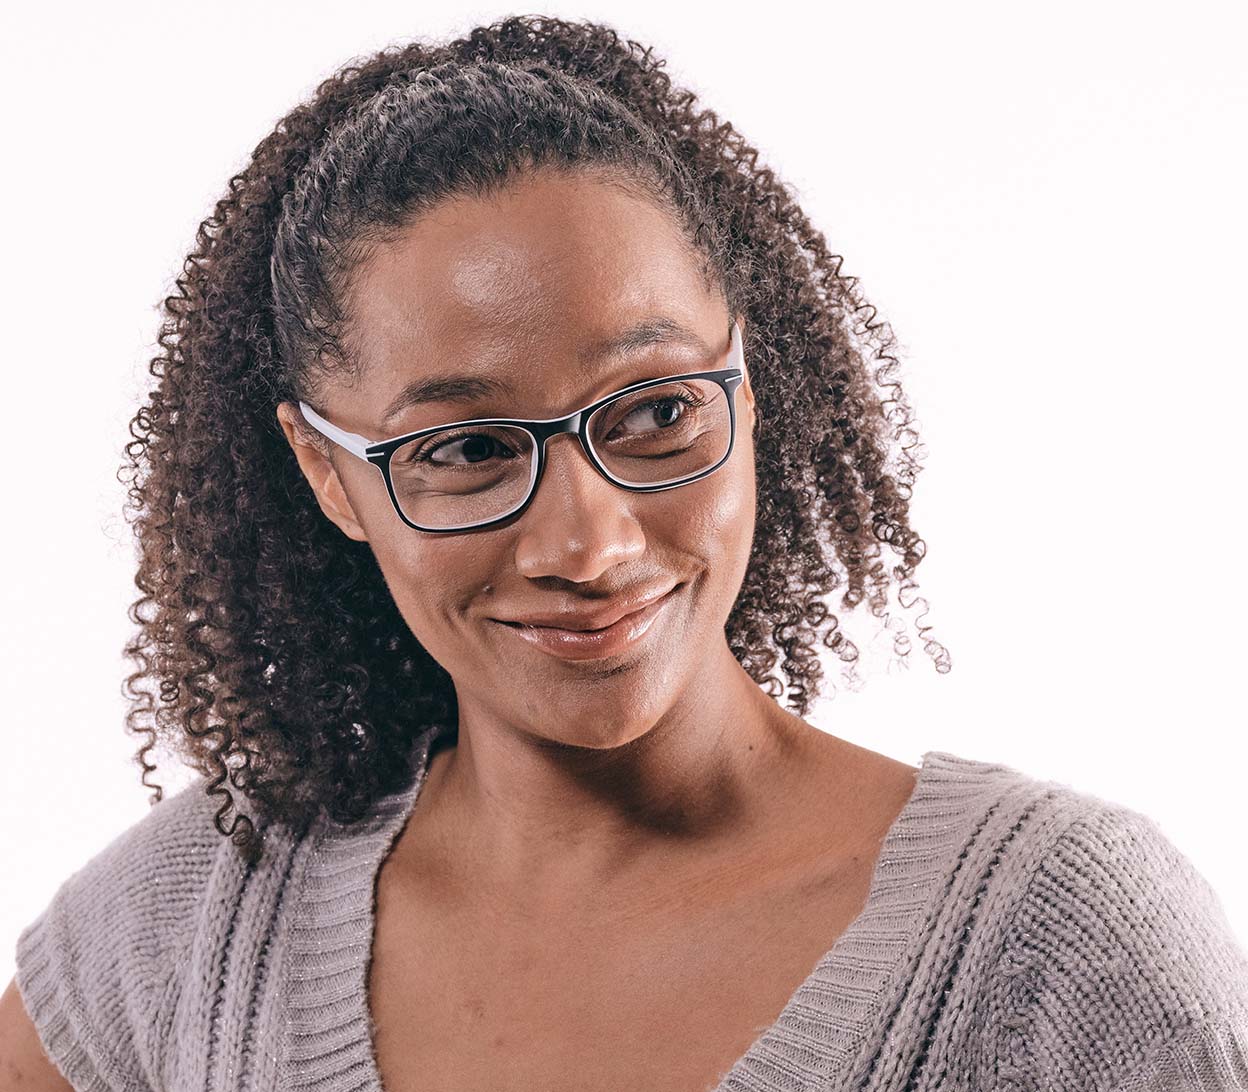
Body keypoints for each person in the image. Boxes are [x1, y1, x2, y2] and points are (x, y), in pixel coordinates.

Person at [3, 14, 1246, 1092]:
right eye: (468, 448)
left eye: (655, 413)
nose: (590, 544)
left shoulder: (1057, 950)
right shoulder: (213, 922)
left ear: (746, 389)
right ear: (329, 473)